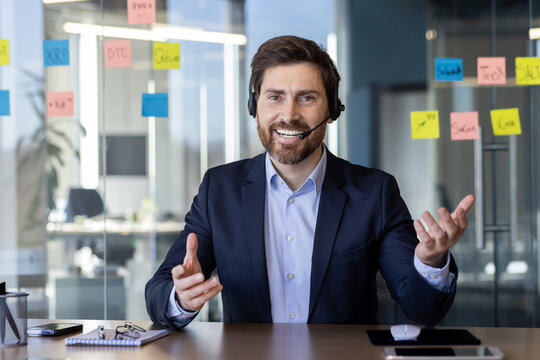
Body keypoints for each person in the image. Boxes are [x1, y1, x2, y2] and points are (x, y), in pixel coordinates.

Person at [145, 35, 475, 329]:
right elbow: (159, 290)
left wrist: (430, 262)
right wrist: (181, 298)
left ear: (331, 109)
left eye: (306, 98)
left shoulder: (374, 192)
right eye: (274, 97)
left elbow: (424, 309)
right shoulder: (220, 189)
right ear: (254, 107)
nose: (289, 115)